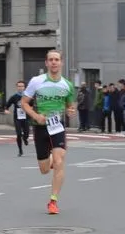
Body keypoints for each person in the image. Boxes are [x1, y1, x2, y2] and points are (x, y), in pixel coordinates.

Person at [20, 50, 76, 215]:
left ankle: (53, 201)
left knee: (59, 162)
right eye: (51, 60)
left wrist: (71, 111)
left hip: (57, 126)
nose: (54, 62)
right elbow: (24, 103)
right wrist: (36, 116)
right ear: (46, 63)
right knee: (44, 169)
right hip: (40, 127)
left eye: (56, 59)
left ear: (61, 62)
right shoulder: (37, 81)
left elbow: (70, 106)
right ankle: (51, 158)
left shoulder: (67, 85)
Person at [4, 80, 30, 157]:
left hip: (26, 118)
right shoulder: (14, 97)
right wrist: (6, 110)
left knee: (26, 133)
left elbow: (32, 105)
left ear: (24, 87)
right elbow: (7, 105)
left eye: (22, 86)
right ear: (17, 87)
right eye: (19, 86)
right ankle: (20, 150)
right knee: (18, 134)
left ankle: (25, 138)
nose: (20, 88)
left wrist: (31, 109)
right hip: (17, 118)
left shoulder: (27, 96)